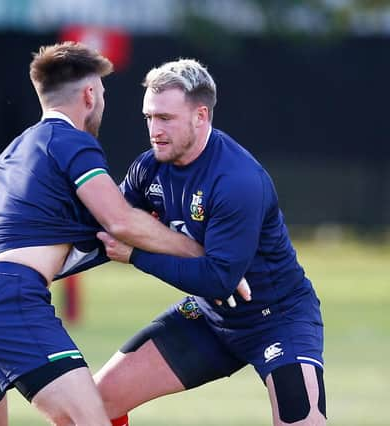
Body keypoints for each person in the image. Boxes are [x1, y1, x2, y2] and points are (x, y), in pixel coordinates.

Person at [0, 41, 224, 426]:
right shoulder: (71, 141)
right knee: (89, 418)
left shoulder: (15, 152)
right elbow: (119, 220)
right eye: (102, 93)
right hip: (5, 298)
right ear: (90, 95)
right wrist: (201, 253)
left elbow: (84, 239)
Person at [93, 59, 326, 426]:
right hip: (209, 317)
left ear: (201, 115)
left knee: (301, 421)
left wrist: (137, 255)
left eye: (166, 118)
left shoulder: (237, 179)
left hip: (276, 319)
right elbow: (105, 227)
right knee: (90, 406)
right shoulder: (148, 168)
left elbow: (218, 279)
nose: (154, 129)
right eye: (149, 117)